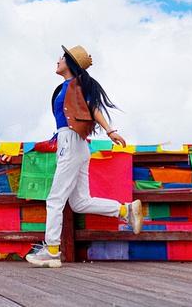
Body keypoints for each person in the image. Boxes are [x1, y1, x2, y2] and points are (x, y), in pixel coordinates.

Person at [25, 45, 143, 268]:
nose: (57, 60)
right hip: (75, 144)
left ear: (70, 63)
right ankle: (124, 210)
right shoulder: (65, 87)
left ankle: (51, 250)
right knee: (79, 202)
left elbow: (93, 107)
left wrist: (110, 130)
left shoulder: (74, 86)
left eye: (61, 57)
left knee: (55, 199)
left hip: (70, 142)